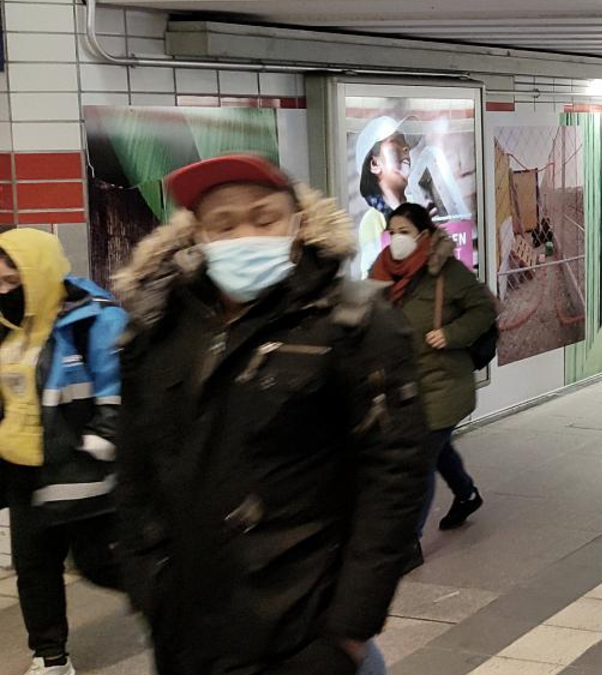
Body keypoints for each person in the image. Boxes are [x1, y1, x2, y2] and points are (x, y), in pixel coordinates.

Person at [113, 154, 432, 675]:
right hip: (189, 631)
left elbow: (394, 476)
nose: (244, 235)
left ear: (297, 223)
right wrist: (148, 585)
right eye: (223, 223)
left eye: (264, 219)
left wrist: (350, 630)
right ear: (197, 235)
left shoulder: (352, 322)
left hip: (307, 630)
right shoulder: (161, 331)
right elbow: (135, 470)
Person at [0, 230, 127, 675]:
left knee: (100, 561)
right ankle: (50, 656)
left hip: (81, 464)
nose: (3, 288)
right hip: (23, 467)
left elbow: (118, 385)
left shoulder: (93, 316)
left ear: (38, 269)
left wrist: (100, 440)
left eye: (12, 279)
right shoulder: (5, 325)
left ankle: (178, 601)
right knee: (34, 566)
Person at [369, 203, 494, 531]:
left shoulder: (448, 273)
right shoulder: (380, 272)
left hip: (444, 384)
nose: (396, 239)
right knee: (436, 451)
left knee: (420, 461)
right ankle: (466, 494)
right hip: (404, 387)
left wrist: (451, 333)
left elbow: (484, 310)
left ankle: (409, 540)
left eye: (404, 232)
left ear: (423, 235)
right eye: (392, 232)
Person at [355, 116, 423, 277]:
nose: (406, 148)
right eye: (395, 143)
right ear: (375, 164)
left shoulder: (420, 206)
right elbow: (372, 278)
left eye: (405, 144)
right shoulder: (373, 220)